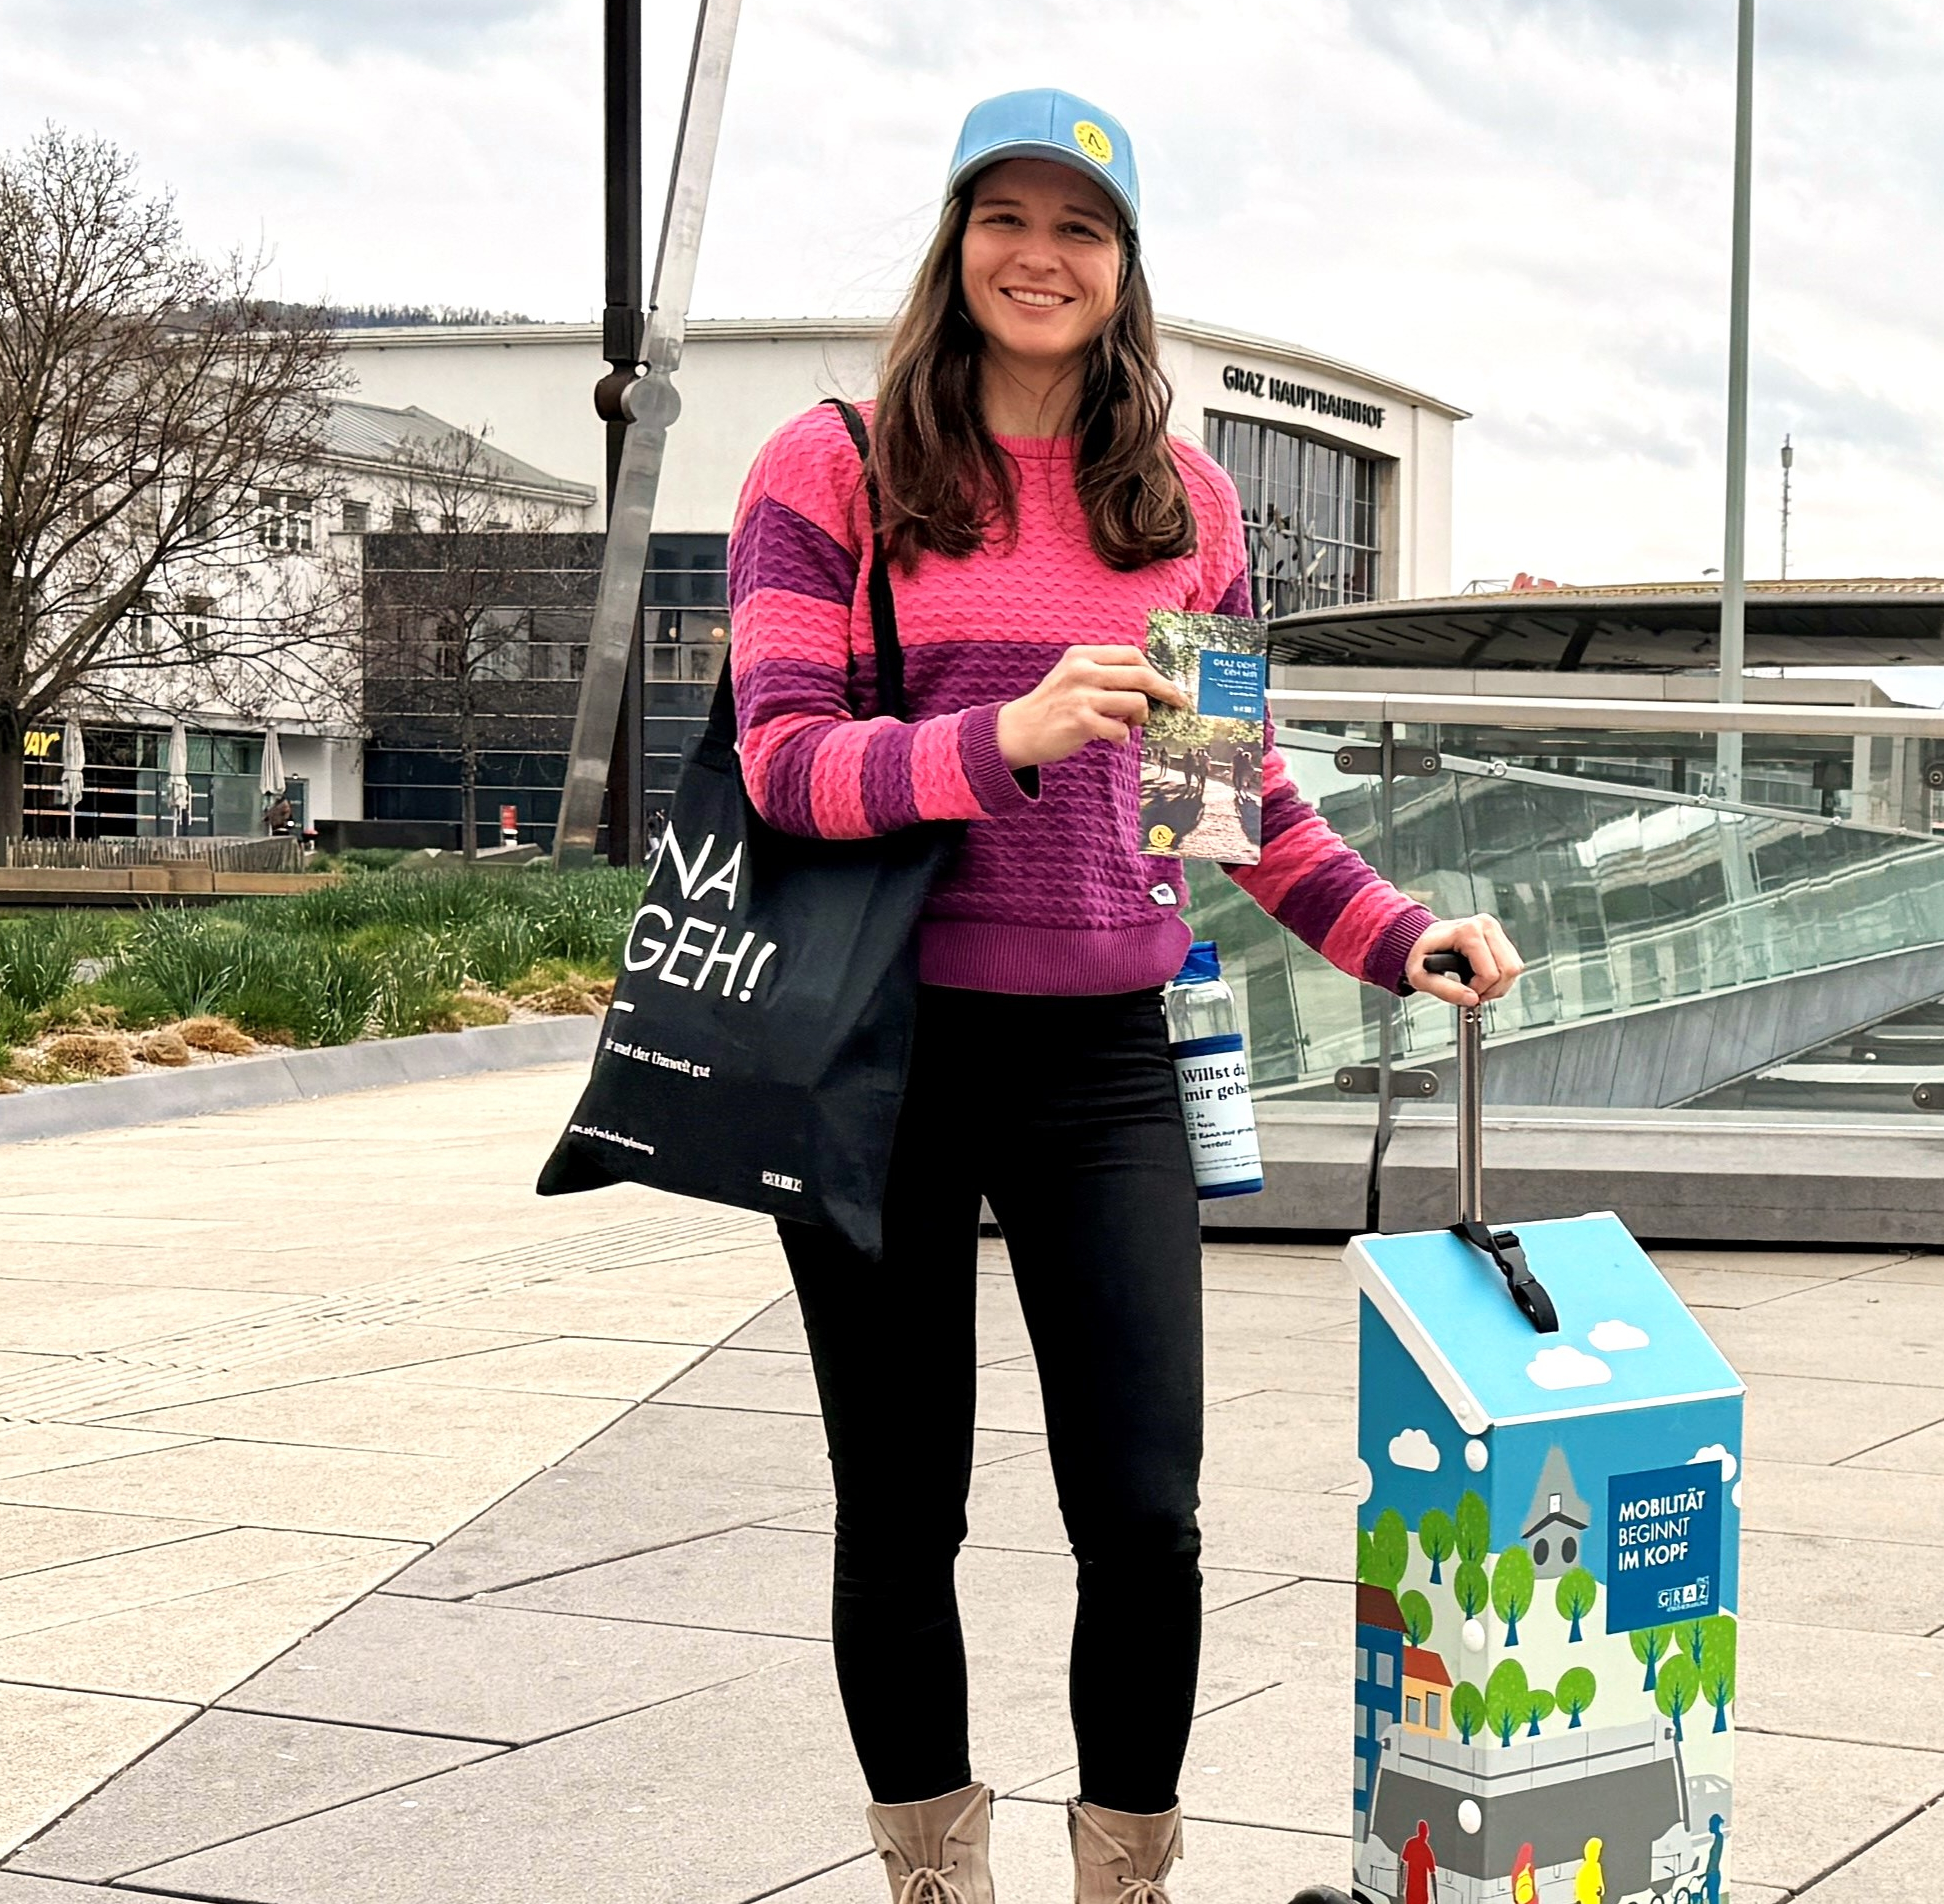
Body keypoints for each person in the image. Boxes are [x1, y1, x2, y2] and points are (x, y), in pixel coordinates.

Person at [728, 87, 1521, 1904]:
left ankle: (1124, 1880)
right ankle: (933, 1872)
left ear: (1125, 266)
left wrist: (1401, 931)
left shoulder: (1182, 505)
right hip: (879, 1053)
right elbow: (784, 763)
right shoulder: (831, 468)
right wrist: (997, 737)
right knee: (904, 1506)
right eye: (1007, 217)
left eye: (1080, 226)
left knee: (1146, 1513)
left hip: (1103, 1052)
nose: (1041, 255)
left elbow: (1234, 807)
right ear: (955, 243)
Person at [1398, 1819, 1440, 1904]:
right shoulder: (1427, 1850)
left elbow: (1402, 1865)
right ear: (1427, 1833)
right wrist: (1436, 1899)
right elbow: (1433, 1876)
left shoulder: (1410, 1843)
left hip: (1411, 1891)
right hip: (1422, 1894)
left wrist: (1401, 1887)